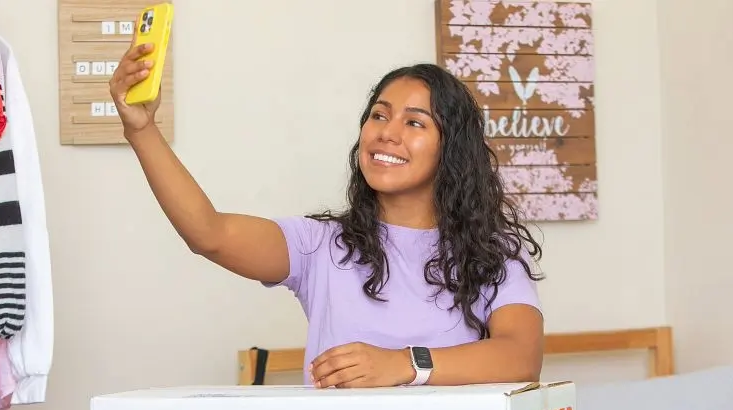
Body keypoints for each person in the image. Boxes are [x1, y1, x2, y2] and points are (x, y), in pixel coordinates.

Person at [109, 42, 546, 389]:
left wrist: (402, 365)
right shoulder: (319, 245)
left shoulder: (490, 255)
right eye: (379, 115)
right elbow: (209, 232)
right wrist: (141, 129)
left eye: (414, 123)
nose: (387, 133)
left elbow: (521, 358)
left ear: (451, 149)